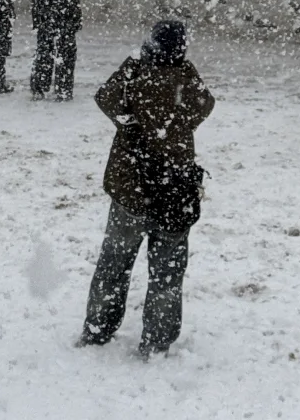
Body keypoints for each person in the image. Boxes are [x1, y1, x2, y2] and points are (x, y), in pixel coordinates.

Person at [80, 19, 215, 357]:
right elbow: (205, 105)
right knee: (167, 274)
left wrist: (134, 72)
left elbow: (105, 98)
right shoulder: (185, 80)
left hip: (131, 188)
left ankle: (99, 329)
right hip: (175, 191)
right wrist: (174, 124)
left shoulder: (135, 75)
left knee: (113, 264)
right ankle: (157, 341)